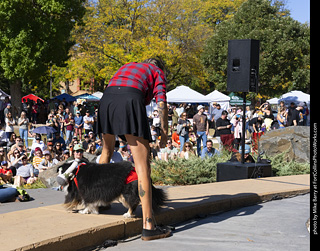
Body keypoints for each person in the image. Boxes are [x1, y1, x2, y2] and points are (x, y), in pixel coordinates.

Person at [97, 58, 171, 240]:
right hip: (129, 101)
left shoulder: (127, 66)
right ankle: (148, 225)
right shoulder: (157, 71)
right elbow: (161, 102)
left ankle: (99, 201)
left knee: (106, 151)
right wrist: (164, 132)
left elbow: (114, 85)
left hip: (106, 100)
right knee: (142, 167)